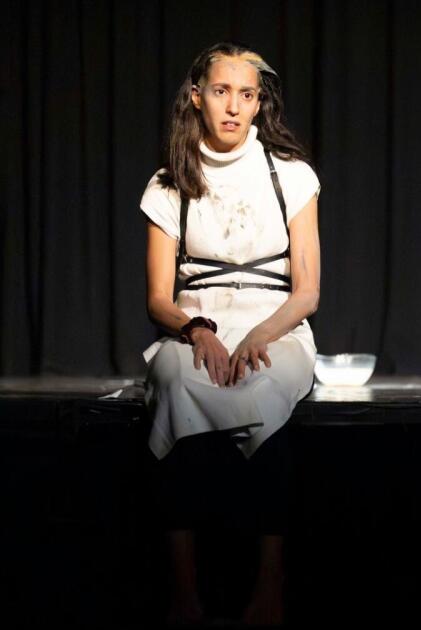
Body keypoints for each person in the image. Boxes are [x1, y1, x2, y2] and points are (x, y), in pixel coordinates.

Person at [140, 41, 321, 626]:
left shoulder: (292, 176)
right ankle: (183, 593)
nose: (234, 106)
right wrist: (197, 330)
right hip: (197, 325)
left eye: (247, 94)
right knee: (175, 385)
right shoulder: (169, 183)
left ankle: (270, 587)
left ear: (259, 103)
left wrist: (261, 334)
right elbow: (158, 299)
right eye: (221, 91)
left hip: (275, 323)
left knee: (265, 389)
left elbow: (307, 292)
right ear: (197, 97)